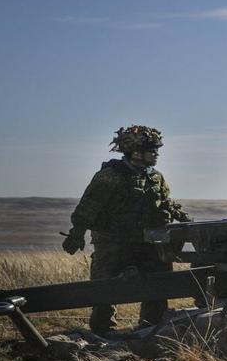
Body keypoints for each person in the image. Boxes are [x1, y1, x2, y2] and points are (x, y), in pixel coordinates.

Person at [61, 125, 191, 334]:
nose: (156, 155)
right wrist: (77, 233)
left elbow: (165, 203)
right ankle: (103, 331)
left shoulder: (155, 177)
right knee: (105, 288)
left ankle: (150, 329)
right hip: (114, 241)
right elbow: (88, 206)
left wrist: (186, 220)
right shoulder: (110, 175)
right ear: (136, 153)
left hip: (149, 241)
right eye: (152, 151)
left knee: (158, 284)